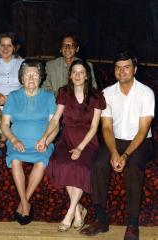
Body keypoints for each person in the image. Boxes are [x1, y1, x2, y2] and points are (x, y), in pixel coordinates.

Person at [80, 51, 155, 240]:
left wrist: (125, 156)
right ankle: (101, 219)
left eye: (127, 67)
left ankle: (132, 223)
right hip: (115, 140)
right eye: (118, 67)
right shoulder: (107, 93)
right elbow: (106, 127)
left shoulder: (146, 93)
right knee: (98, 163)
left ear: (135, 70)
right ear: (114, 70)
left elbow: (143, 130)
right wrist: (113, 152)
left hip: (140, 141)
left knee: (133, 167)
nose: (122, 71)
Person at [36, 60, 106, 232]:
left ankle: (69, 213)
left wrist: (80, 148)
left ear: (87, 75)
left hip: (87, 142)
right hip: (66, 139)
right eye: (74, 72)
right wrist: (44, 138)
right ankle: (78, 211)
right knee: (63, 164)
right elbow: (55, 119)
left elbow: (94, 128)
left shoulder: (97, 96)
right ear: (70, 75)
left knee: (80, 166)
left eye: (81, 72)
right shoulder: (64, 92)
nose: (77, 75)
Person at [1, 60, 57, 225]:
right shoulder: (13, 96)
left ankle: (22, 203)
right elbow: (4, 125)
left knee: (41, 162)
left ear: (41, 78)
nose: (31, 78)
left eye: (35, 75)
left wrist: (46, 141)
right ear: (21, 78)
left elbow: (54, 126)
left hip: (42, 141)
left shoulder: (48, 97)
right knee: (16, 160)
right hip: (18, 141)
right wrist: (13, 139)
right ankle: (25, 204)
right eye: (27, 75)